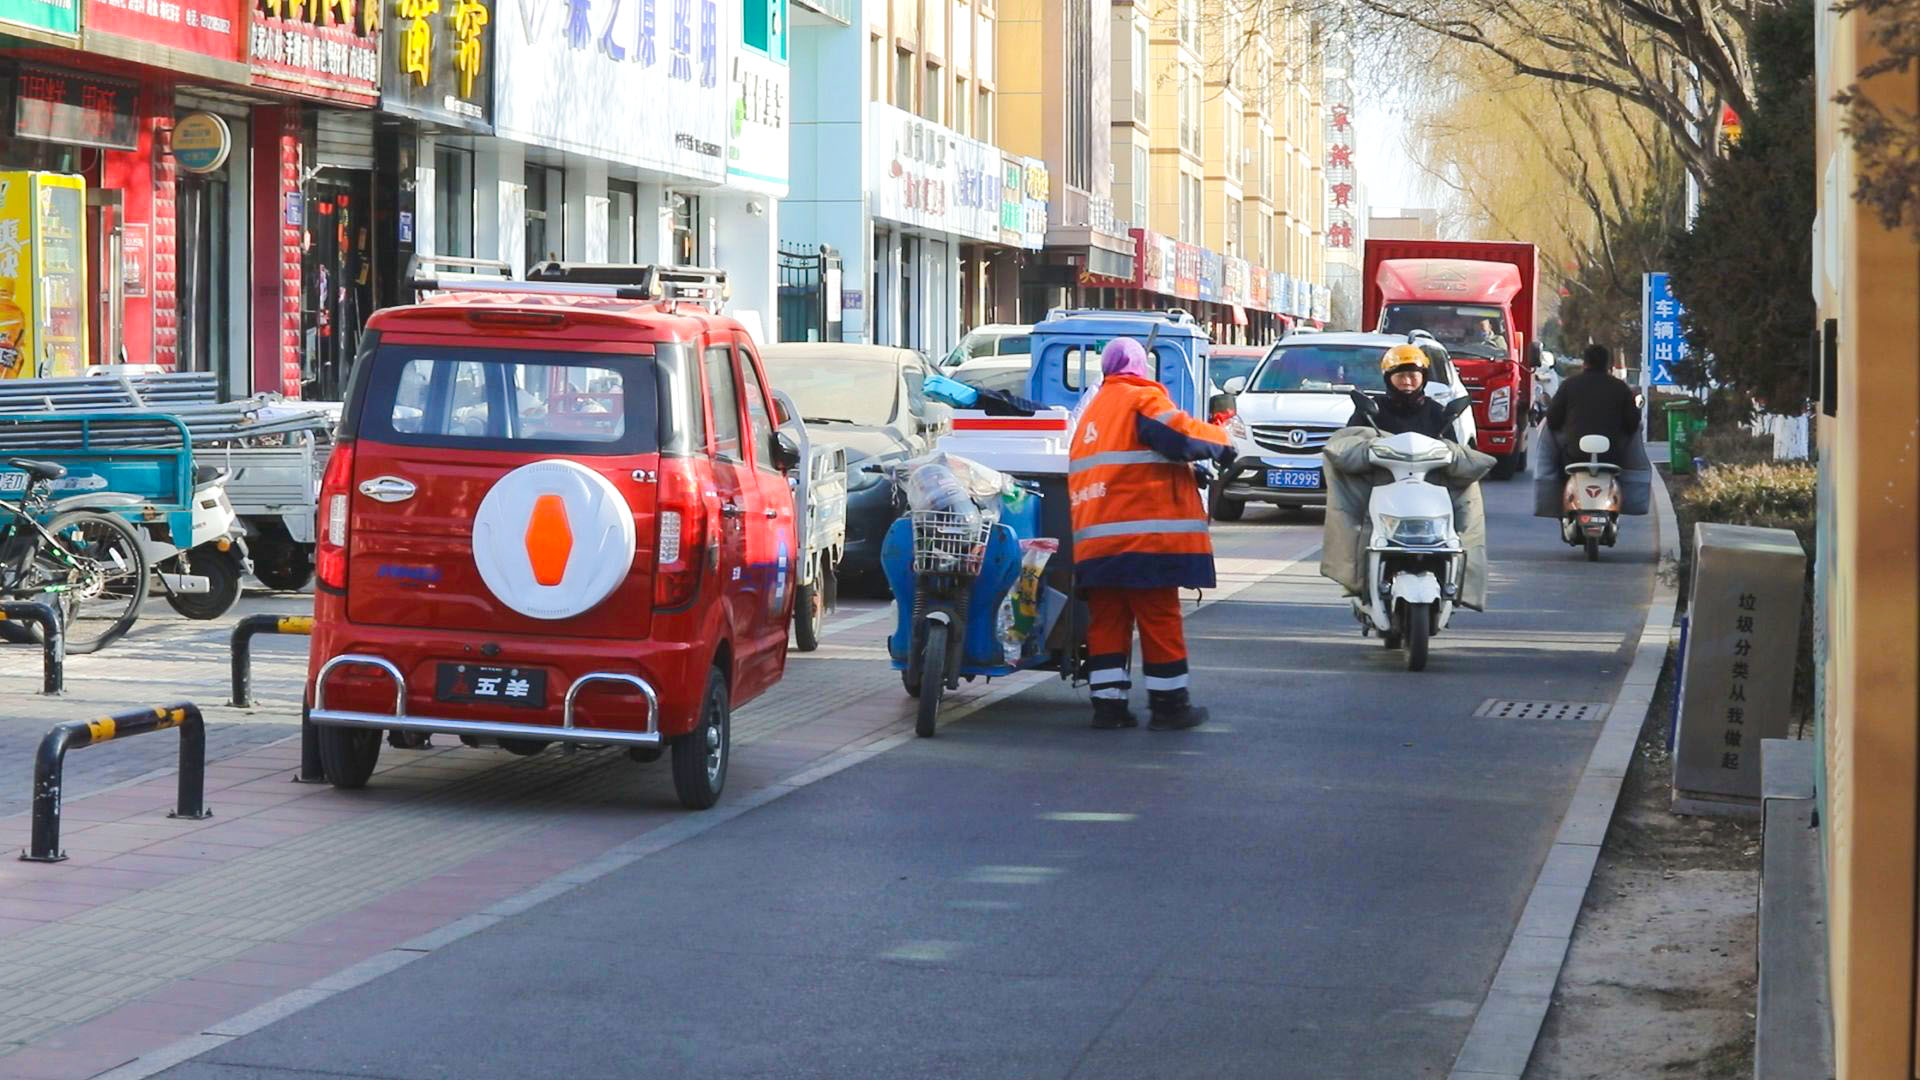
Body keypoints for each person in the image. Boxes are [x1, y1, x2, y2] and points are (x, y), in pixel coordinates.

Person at [1068, 338, 1235, 731]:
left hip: (1096, 544)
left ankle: (1108, 708)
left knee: (1108, 622)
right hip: (1143, 540)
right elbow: (1178, 435)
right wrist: (1224, 442)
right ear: (1141, 368)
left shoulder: (1092, 412)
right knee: (1159, 619)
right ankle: (1169, 707)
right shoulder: (1138, 399)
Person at [1546, 343, 1640, 464]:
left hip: (1573, 456)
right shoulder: (1620, 388)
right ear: (1607, 364)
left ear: (1584, 363)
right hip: (1611, 457)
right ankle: (1637, 475)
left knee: (1545, 427)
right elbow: (1632, 424)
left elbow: (1552, 421)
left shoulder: (1569, 385)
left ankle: (1545, 477)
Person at [1349, 343, 1453, 439]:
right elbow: (1349, 447)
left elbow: (1453, 451)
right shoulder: (1370, 410)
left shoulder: (1436, 412)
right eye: (1400, 376)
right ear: (1388, 378)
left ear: (1423, 378)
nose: (1407, 381)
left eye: (1413, 376)